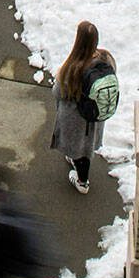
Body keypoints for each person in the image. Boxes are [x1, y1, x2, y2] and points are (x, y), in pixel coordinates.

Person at [51, 20, 118, 194]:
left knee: (80, 150)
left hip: (76, 120)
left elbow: (58, 92)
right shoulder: (106, 58)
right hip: (95, 115)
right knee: (86, 146)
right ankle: (78, 163)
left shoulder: (73, 67)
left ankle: (82, 182)